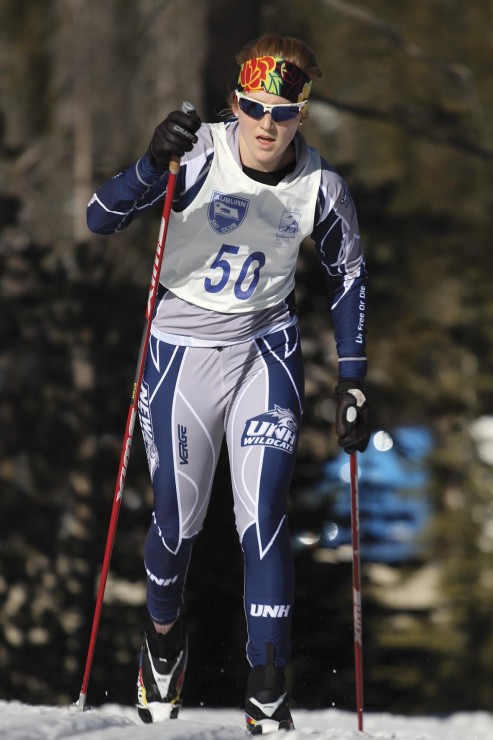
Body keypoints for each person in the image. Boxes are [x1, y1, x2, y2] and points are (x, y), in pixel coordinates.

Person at [87, 33, 371, 734]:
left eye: (284, 110)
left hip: (262, 354)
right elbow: (101, 217)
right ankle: (161, 640)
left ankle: (268, 685)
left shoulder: (320, 186)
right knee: (176, 523)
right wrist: (152, 163)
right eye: (253, 106)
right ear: (233, 103)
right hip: (181, 353)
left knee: (263, 517)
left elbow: (347, 278)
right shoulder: (197, 154)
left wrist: (352, 380)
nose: (267, 124)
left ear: (303, 113)